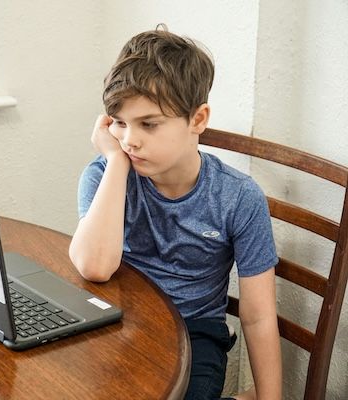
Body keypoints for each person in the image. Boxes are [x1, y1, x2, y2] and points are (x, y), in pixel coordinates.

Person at [69, 25, 282, 400]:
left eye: (148, 124)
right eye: (119, 122)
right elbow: (94, 266)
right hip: (117, 322)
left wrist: (271, 397)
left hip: (194, 333)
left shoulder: (238, 197)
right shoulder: (105, 175)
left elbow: (258, 315)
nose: (130, 138)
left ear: (197, 120)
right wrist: (117, 161)